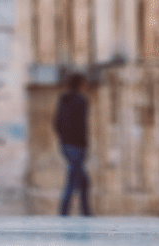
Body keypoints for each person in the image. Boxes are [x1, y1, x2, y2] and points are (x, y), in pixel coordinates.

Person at [54, 73, 90, 216]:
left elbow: (57, 123)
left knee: (83, 181)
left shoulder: (63, 100)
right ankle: (64, 211)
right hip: (77, 146)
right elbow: (81, 125)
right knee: (73, 179)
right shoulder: (81, 101)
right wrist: (83, 144)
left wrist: (64, 138)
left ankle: (86, 211)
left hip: (65, 145)